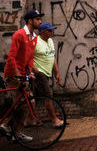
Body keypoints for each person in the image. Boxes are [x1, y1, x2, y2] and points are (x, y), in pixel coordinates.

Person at [0, 9, 44, 142]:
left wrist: (29, 72)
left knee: (27, 102)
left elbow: (29, 58)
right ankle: (7, 126)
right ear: (30, 21)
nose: (40, 21)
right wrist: (19, 75)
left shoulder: (35, 37)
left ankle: (14, 131)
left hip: (23, 74)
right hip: (13, 75)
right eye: (37, 19)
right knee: (22, 103)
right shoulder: (19, 35)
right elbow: (12, 58)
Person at [26, 22, 63, 127]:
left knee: (36, 98)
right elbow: (28, 57)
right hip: (39, 73)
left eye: (52, 30)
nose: (52, 32)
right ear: (42, 32)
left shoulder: (50, 41)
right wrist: (34, 69)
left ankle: (28, 120)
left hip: (47, 73)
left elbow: (53, 57)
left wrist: (57, 72)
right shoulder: (35, 41)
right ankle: (54, 120)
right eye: (49, 30)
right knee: (48, 96)